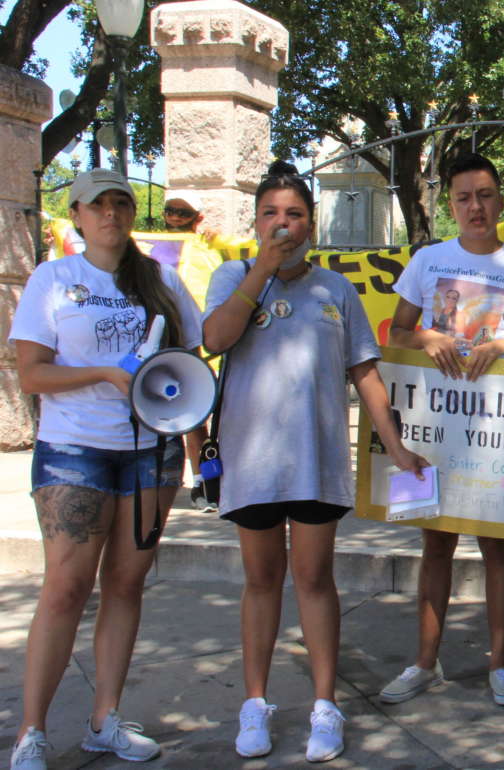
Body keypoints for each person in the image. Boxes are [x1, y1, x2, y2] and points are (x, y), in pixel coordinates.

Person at [202, 160, 428, 762]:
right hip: (252, 463)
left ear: (313, 224)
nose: (284, 224)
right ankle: (255, 704)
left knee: (313, 579)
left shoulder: (335, 290)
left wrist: (396, 443)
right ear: (254, 221)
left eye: (295, 214)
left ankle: (325, 707)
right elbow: (216, 338)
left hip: (317, 462)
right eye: (272, 214)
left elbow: (366, 373)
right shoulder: (232, 276)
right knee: (260, 581)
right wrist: (262, 273)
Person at [8, 169, 204, 769]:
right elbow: (32, 374)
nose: (112, 214)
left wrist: (200, 457)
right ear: (78, 217)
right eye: (98, 205)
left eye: (122, 202)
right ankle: (31, 732)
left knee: (126, 584)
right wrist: (104, 375)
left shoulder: (163, 281)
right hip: (76, 450)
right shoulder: (54, 279)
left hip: (150, 452)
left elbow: (188, 370)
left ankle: (105, 719)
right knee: (66, 587)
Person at [385, 153, 504, 707]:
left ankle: (500, 663)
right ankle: (423, 662)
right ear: (450, 205)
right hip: (437, 425)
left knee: (496, 544)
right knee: (435, 542)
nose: (475, 207)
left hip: (500, 430)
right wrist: (428, 340)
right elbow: (398, 334)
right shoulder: (430, 260)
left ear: (500, 199)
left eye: (484, 195)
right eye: (463, 198)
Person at [161, 189, 220, 512]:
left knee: (197, 421)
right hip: (156, 347)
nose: (174, 218)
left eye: (183, 214)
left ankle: (205, 482)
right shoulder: (139, 247)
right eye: (170, 211)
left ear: (197, 219)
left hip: (193, 346)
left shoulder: (210, 249)